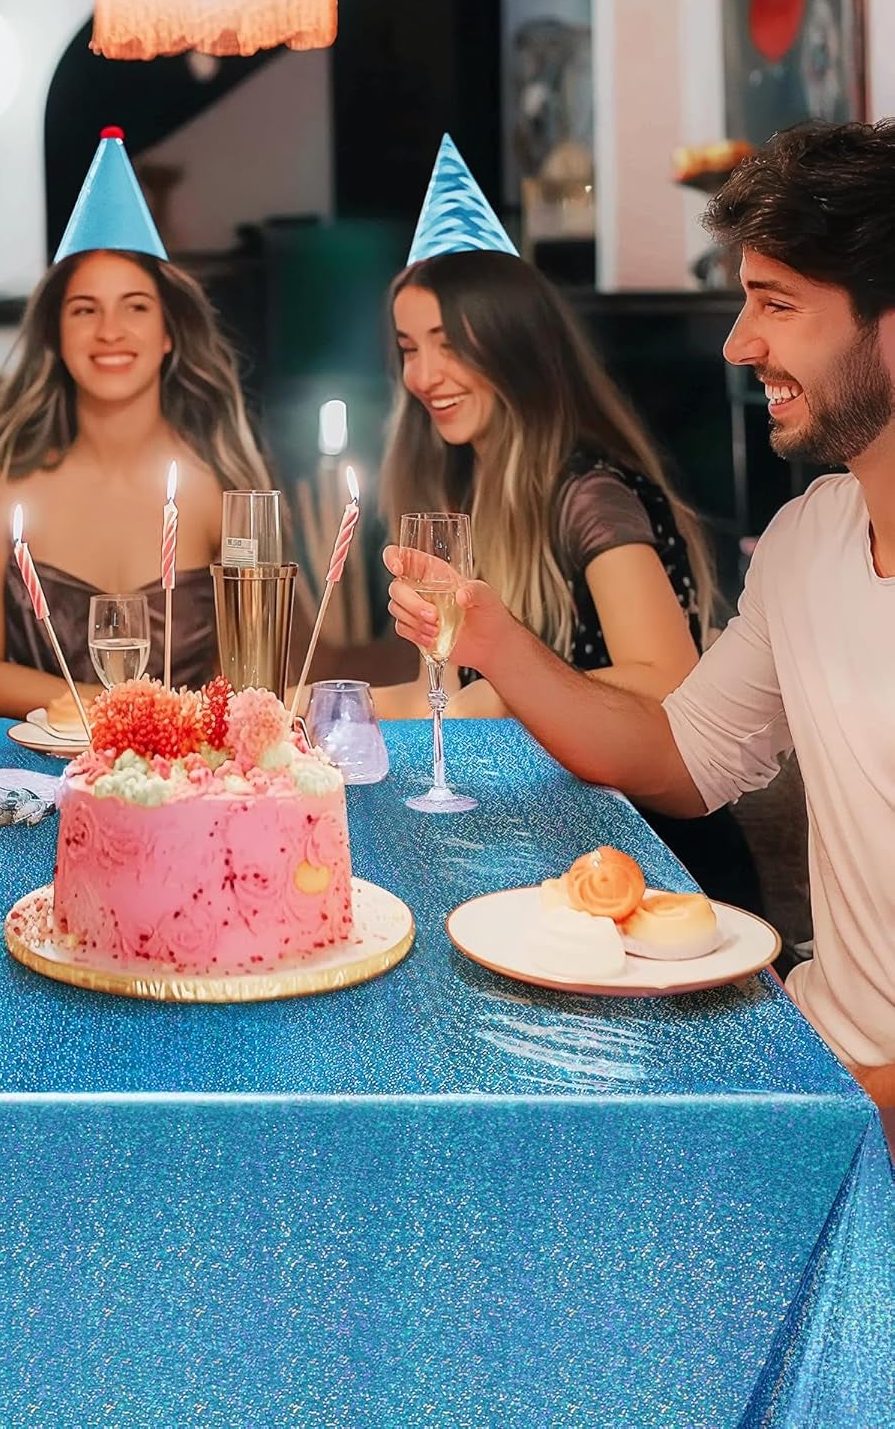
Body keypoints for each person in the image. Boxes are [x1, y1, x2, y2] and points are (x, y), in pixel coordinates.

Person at [388, 120, 895, 1123]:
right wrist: (493, 640)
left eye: (778, 305)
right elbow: (680, 755)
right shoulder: (807, 541)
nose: (739, 344)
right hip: (808, 1052)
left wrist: (857, 1116)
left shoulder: (596, 491)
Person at [377, 136, 760, 912]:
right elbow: (443, 698)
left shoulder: (590, 491)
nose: (422, 377)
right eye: (409, 349)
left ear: (515, 342)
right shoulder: (461, 488)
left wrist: (504, 690)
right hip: (539, 845)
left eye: (449, 345)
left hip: (656, 870)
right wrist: (319, 705)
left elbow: (668, 684)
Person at [0, 127, 272, 720]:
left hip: (194, 780)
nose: (110, 331)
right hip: (35, 782)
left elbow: (256, 678)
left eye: (136, 308)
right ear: (55, 332)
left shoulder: (225, 480)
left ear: (169, 332)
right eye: (84, 309)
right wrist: (111, 709)